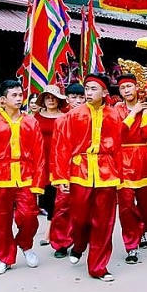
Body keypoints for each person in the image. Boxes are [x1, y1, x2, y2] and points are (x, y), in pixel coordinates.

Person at [53, 73, 123, 282]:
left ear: (104, 92)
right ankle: (79, 244)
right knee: (79, 218)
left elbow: (118, 148)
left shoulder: (114, 115)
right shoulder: (73, 116)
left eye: (94, 89)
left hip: (106, 172)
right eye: (87, 88)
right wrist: (61, 177)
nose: (89, 92)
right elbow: (62, 147)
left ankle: (98, 267)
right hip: (80, 170)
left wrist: (120, 175)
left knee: (104, 221)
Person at [0, 80, 45, 274]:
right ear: (3, 100)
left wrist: (39, 181)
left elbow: (39, 154)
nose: (19, 98)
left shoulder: (31, 122)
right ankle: (4, 257)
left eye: (20, 94)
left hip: (26, 177)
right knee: (1, 221)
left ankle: (25, 244)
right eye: (14, 95)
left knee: (30, 217)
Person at [114, 73, 147, 264]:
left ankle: (141, 230)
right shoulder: (116, 110)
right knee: (125, 205)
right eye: (123, 88)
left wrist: (145, 112)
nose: (126, 91)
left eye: (129, 87)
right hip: (123, 160)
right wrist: (134, 113)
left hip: (144, 159)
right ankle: (131, 245)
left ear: (136, 88)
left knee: (146, 202)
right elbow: (118, 132)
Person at [47, 82, 85, 258]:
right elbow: (56, 149)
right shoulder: (61, 120)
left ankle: (80, 240)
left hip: (86, 169)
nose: (77, 101)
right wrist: (59, 176)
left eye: (80, 97)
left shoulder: (91, 117)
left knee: (83, 207)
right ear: (67, 99)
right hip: (66, 168)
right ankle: (61, 243)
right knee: (62, 207)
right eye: (74, 97)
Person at [35, 84, 67, 218]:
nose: (51, 100)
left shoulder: (66, 117)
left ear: (59, 100)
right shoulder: (36, 117)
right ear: (43, 100)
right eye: (47, 98)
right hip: (42, 156)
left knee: (58, 191)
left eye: (54, 98)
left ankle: (55, 222)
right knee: (46, 190)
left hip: (59, 156)